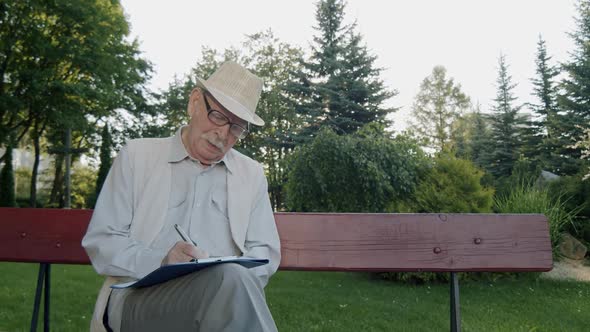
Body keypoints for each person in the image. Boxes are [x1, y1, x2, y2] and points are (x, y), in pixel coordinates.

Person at [82, 61, 281, 332]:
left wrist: (222, 276)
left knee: (229, 280)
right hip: (139, 299)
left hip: (222, 304)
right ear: (195, 102)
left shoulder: (252, 174)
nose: (223, 133)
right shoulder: (137, 156)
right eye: (219, 116)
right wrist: (161, 261)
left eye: (236, 127)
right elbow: (103, 240)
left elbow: (265, 253)